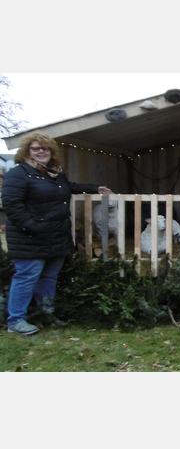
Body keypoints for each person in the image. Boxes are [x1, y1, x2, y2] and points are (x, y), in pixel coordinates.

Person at [2, 133, 112, 335]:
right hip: (30, 238)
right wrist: (33, 226)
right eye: (36, 148)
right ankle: (15, 320)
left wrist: (94, 188)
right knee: (27, 276)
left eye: (45, 148)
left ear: (51, 151)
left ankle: (46, 313)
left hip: (56, 236)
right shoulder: (18, 174)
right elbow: (12, 205)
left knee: (49, 277)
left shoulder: (53, 173)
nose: (41, 152)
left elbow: (69, 187)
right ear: (27, 151)